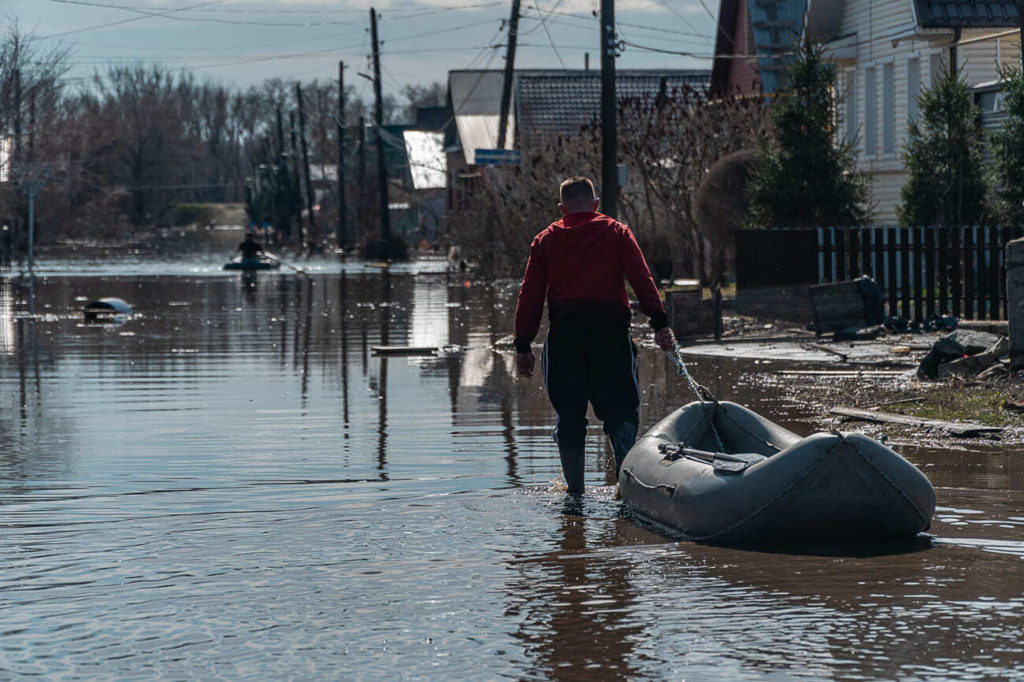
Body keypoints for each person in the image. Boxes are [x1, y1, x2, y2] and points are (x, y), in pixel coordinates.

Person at [514, 176, 675, 497]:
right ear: (596, 204)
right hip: (611, 339)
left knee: (570, 416)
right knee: (622, 412)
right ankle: (627, 490)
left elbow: (529, 296)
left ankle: (574, 496)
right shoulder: (617, 234)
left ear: (562, 209)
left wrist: (522, 345)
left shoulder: (545, 241)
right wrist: (660, 324)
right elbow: (643, 281)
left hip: (565, 341)